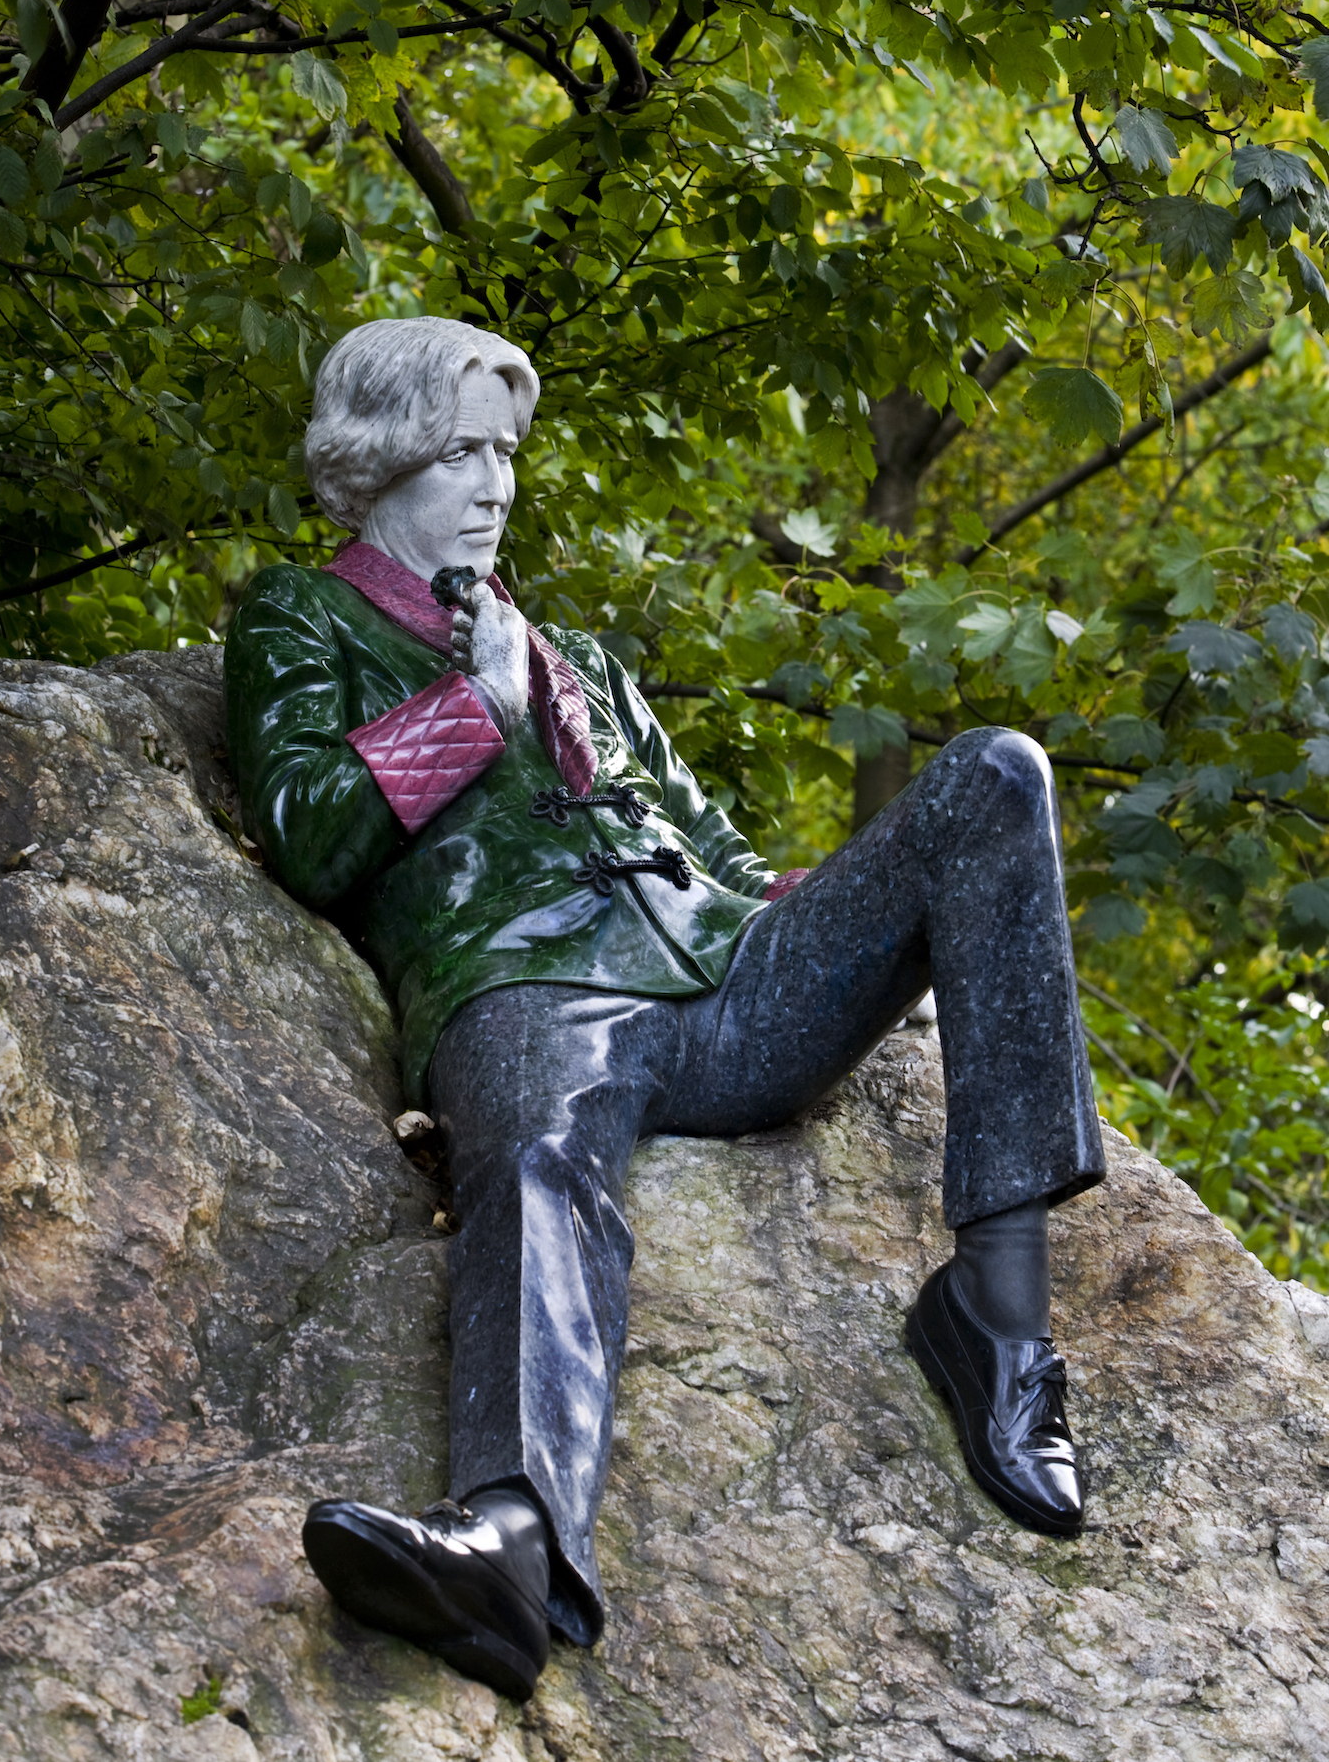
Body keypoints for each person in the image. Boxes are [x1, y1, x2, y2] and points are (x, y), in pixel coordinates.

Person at [224, 317, 1106, 1701]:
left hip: (725, 983)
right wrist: (472, 703)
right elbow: (305, 831)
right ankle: (511, 1542)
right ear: (378, 458)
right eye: (462, 450)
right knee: (534, 1155)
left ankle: (999, 1321)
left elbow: (726, 853)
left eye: (505, 452)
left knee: (994, 776)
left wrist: (864, 904)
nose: (496, 482)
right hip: (526, 990)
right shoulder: (300, 616)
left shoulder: (574, 654)